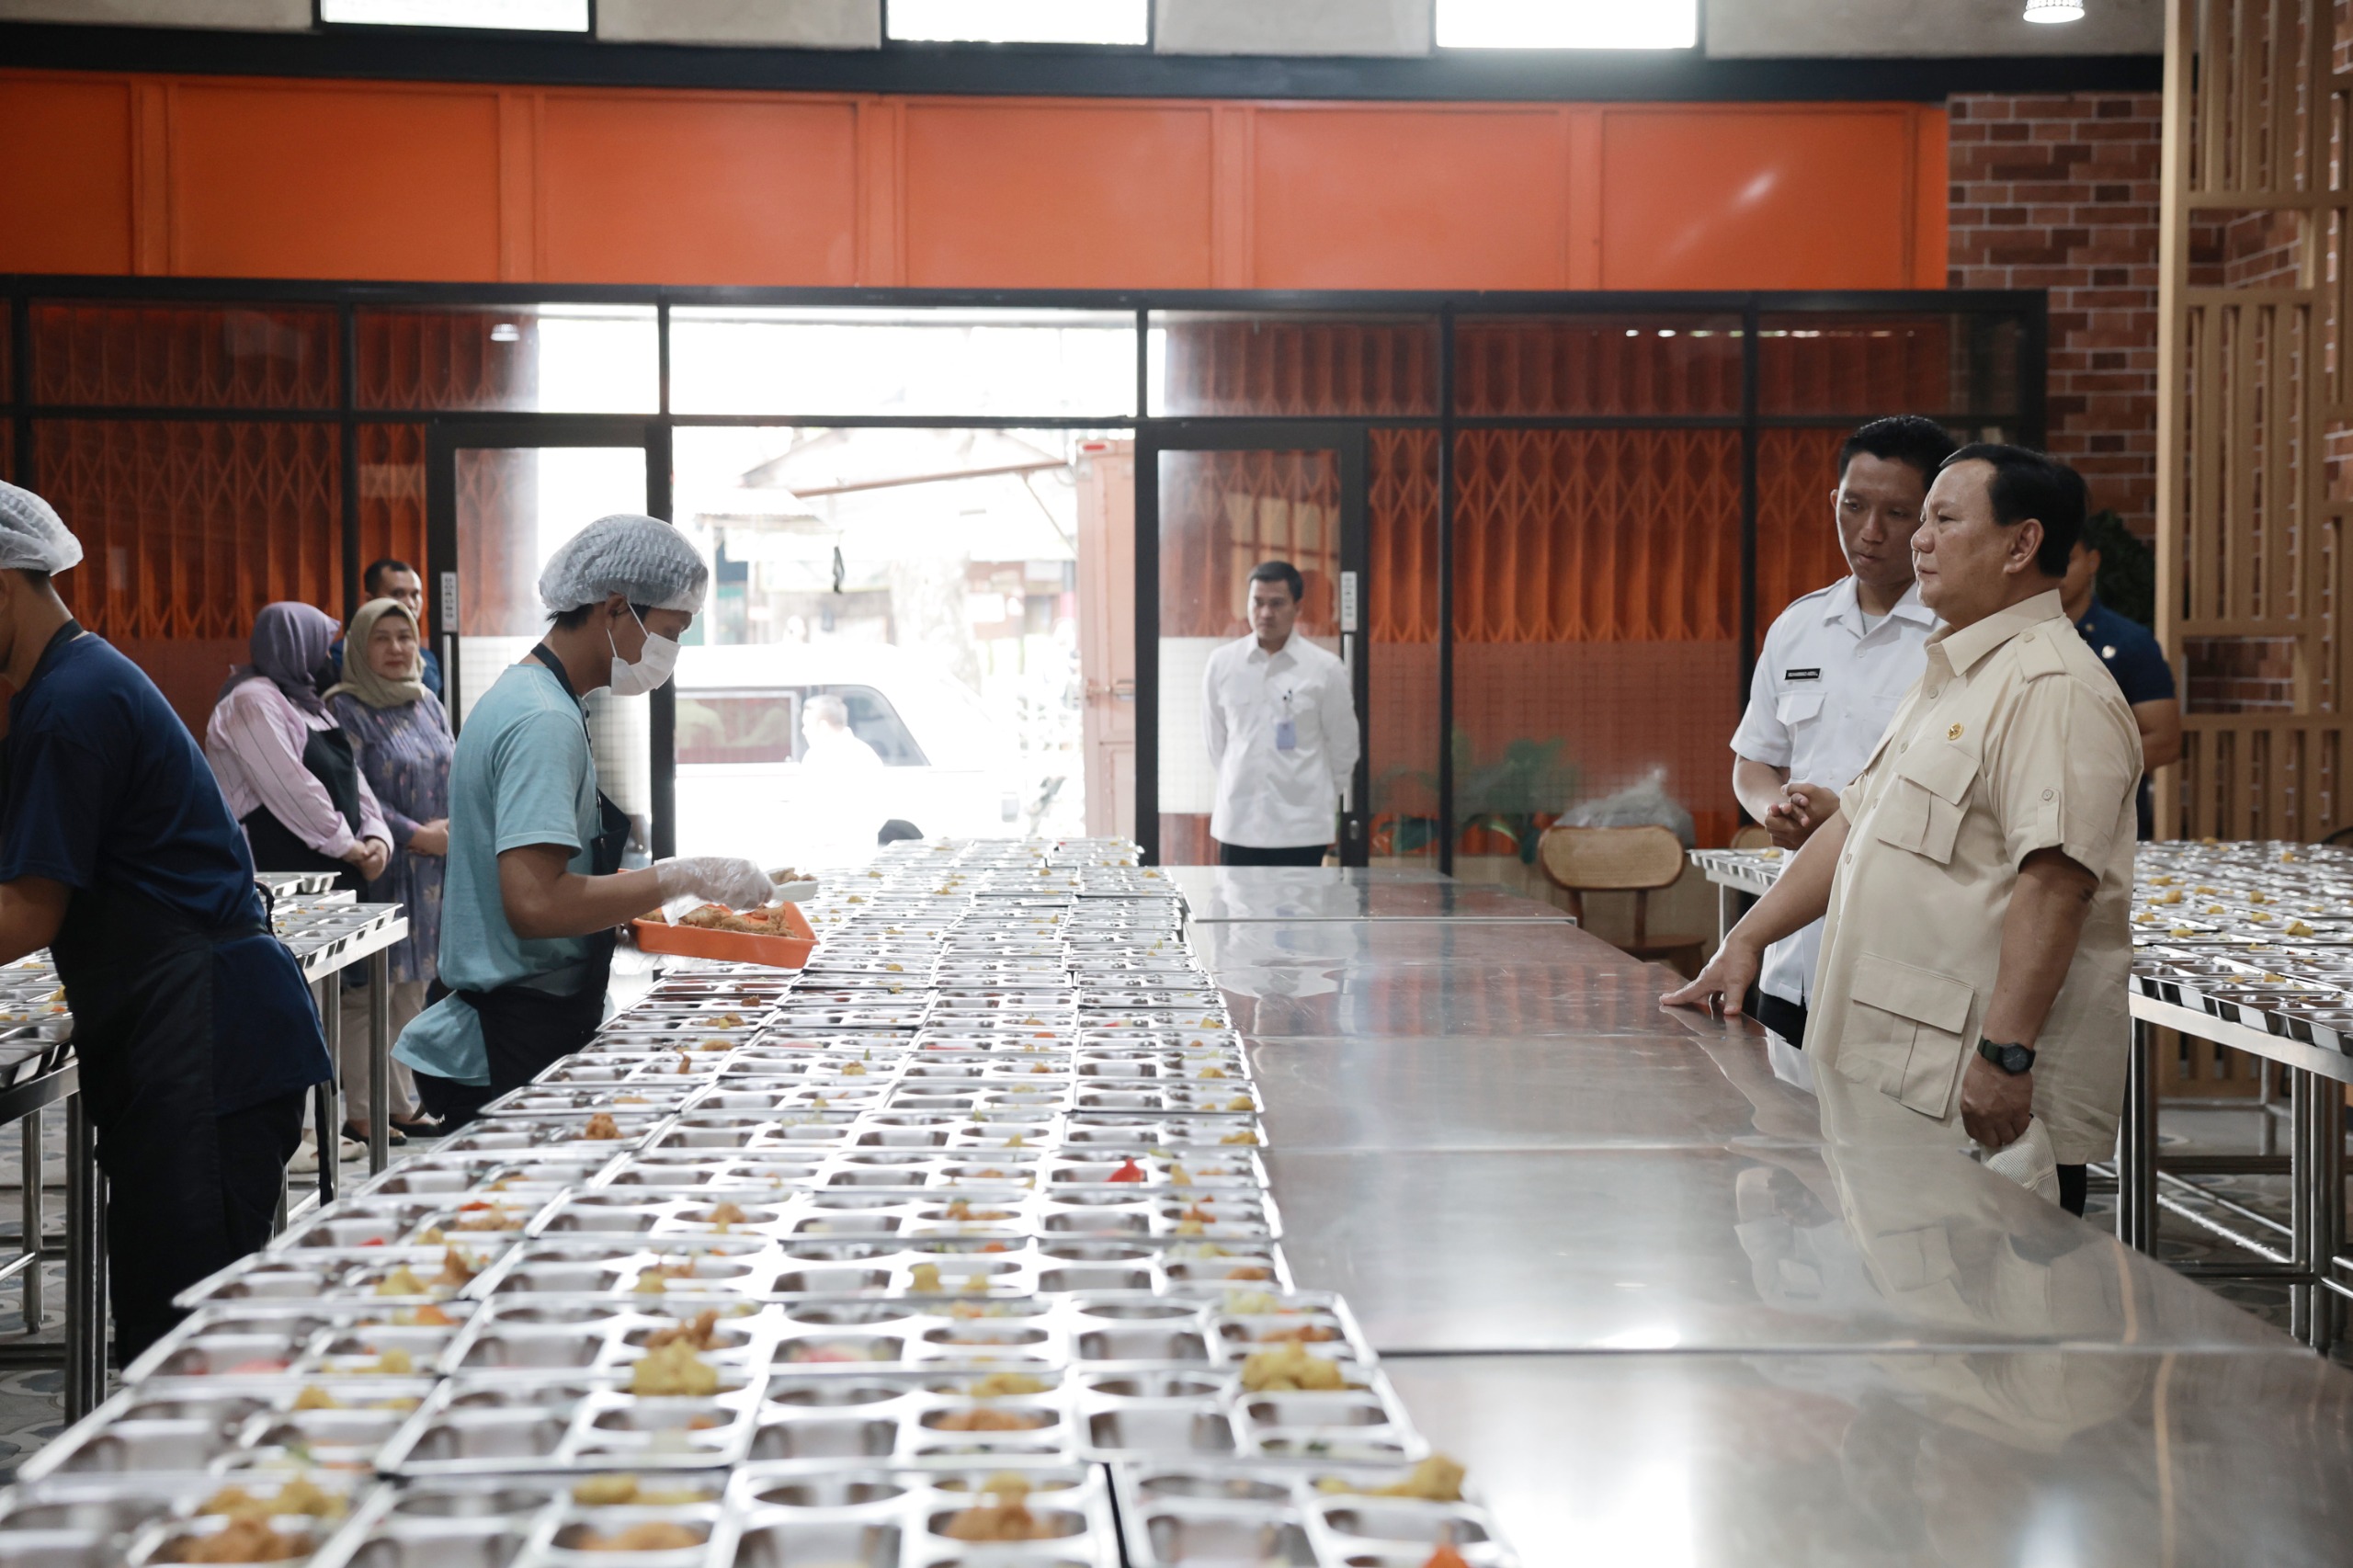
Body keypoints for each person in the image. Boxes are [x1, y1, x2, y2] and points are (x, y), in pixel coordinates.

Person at [1666, 446, 2142, 1217]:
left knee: (1995, 1319)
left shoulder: (2050, 686)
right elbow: (1857, 821)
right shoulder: (1954, 673)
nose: (1918, 539)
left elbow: (2057, 883)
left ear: (2022, 545)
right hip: (1902, 1071)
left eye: (1942, 520)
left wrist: (2006, 1054)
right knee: (1910, 1314)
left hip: (1974, 1083)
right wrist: (1745, 941)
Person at [0, 483, 330, 1358]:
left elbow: (29, 911)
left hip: (205, 1040)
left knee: (189, 1334)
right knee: (171, 1312)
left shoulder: (71, 703)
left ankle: (218, 1493)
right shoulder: (68, 685)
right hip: (180, 1036)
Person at [392, 514, 773, 1128]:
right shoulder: (543, 719)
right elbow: (535, 905)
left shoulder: (535, 697)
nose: (669, 653)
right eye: (670, 633)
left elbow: (535, 883)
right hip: (511, 1036)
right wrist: (683, 876)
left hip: (525, 1014)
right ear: (616, 608)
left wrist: (611, 919)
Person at [1730, 415, 1954, 1063]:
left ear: (1934, 518)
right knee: (1790, 1152)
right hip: (1794, 954)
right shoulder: (1800, 627)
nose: (1871, 533)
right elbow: (1754, 760)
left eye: (1898, 513)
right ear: (1833, 500)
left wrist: (1850, 822)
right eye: (1854, 506)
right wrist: (1776, 809)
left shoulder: (1960, 634)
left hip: (1906, 966)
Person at [326, 595, 452, 1144]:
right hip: (381, 863)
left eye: (405, 636)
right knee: (369, 993)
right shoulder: (343, 708)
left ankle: (401, 1101)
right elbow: (354, 793)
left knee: (415, 987)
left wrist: (454, 828)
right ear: (358, 646)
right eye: (382, 638)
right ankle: (363, 1110)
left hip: (433, 869)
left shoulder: (426, 699)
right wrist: (414, 833)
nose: (398, 648)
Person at [207, 602, 394, 896]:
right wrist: (348, 845)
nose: (325, 656)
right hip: (282, 876)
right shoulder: (251, 700)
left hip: (340, 870)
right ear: (296, 645)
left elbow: (354, 780)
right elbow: (289, 785)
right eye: (319, 644)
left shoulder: (309, 705)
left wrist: (377, 837)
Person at [1201, 560, 1360, 868]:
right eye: (1257, 602)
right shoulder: (1222, 664)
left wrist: (1315, 797)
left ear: (1297, 608)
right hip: (1239, 824)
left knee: (1298, 915)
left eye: (1277, 604)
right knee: (1237, 914)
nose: (1265, 613)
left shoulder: (1324, 669)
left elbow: (1344, 747)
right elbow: (1216, 742)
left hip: (1301, 829)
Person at [2059, 530, 2180, 839]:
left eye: (2067, 559)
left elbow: (2165, 740)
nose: (2056, 571)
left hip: (2108, 822)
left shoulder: (2130, 642)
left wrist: (2077, 774)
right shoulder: (2014, 637)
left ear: (2092, 561)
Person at [330, 558, 443, 700]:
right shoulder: (345, 657)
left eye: (415, 595)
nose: (410, 603)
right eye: (397, 594)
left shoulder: (428, 659)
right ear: (370, 599)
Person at [801, 694, 883, 770]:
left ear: (823, 726)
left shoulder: (814, 758)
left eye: (807, 725)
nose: (804, 731)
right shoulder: (866, 754)